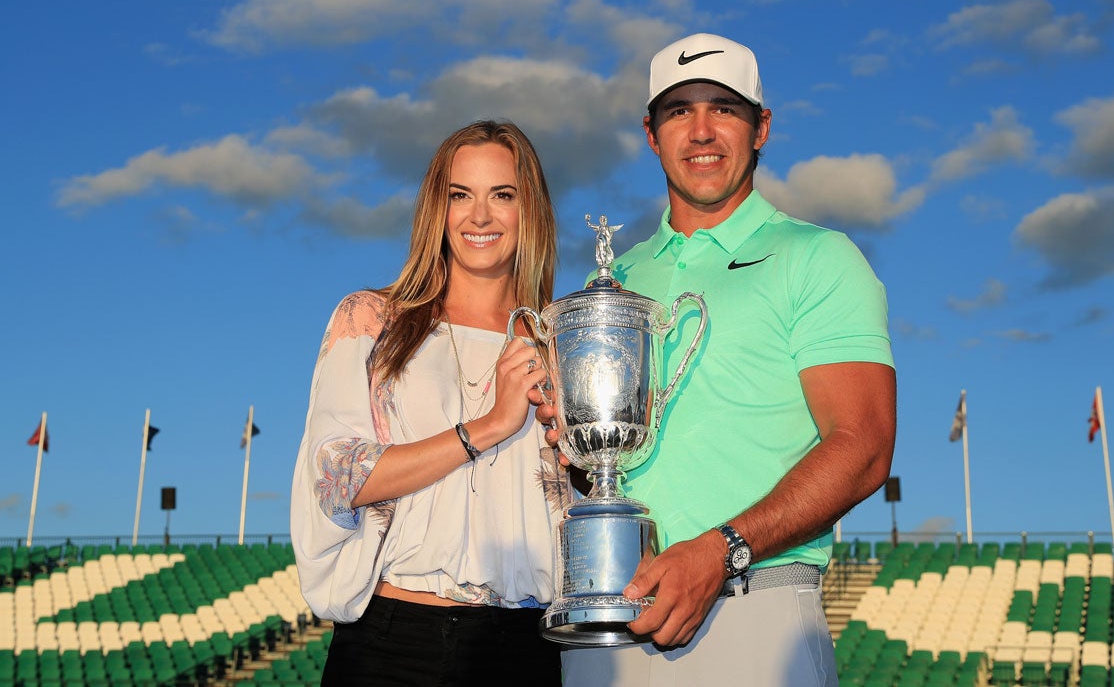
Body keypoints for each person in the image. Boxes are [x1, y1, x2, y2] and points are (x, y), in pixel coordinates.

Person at [548, 34, 897, 686]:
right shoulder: (614, 282)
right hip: (609, 628)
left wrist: (723, 550)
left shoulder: (818, 257)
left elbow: (865, 444)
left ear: (761, 127)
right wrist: (564, 442)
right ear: (651, 135)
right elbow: (599, 473)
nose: (701, 131)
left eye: (724, 109)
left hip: (752, 611)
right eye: (678, 111)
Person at [290, 120, 572, 686]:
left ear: (530, 210)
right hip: (394, 644)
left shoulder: (564, 343)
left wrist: (575, 457)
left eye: (503, 195)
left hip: (530, 647)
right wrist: (487, 426)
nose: (480, 216)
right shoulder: (373, 321)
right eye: (460, 195)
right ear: (435, 211)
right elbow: (338, 476)